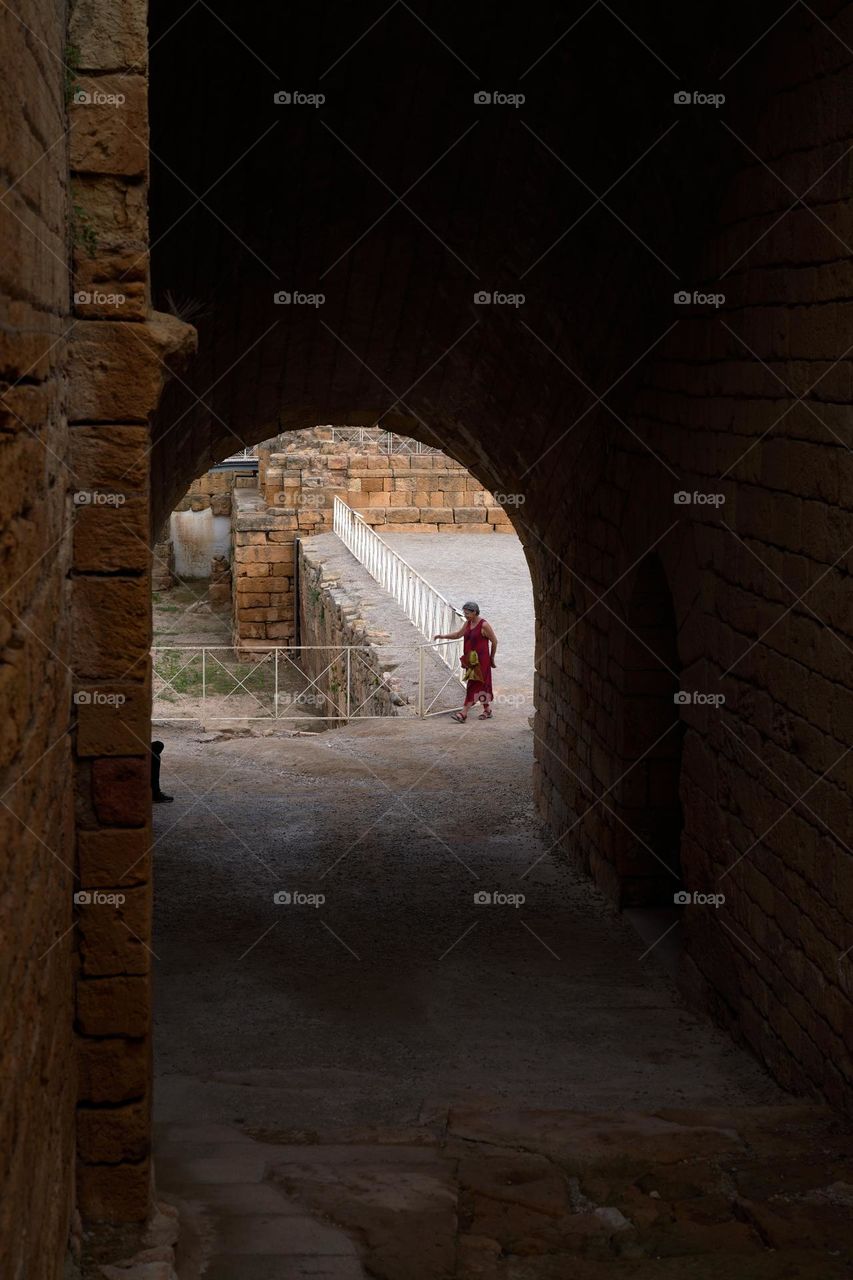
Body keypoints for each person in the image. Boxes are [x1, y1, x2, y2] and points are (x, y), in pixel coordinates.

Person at [434, 601, 498, 722]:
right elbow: (458, 634)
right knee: (482, 684)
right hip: (471, 660)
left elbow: (494, 641)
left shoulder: (484, 625)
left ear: (475, 612)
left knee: (473, 684)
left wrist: (492, 658)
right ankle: (487, 710)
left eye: (467, 613)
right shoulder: (468, 623)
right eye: (464, 613)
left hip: (482, 660)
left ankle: (463, 712)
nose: (465, 615)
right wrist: (442, 636)